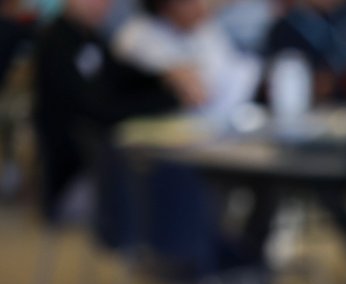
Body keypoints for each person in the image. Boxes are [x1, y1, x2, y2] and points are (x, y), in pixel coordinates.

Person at [31, 0, 177, 219]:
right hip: (77, 183)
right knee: (170, 193)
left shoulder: (90, 38)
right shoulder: (58, 43)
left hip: (103, 168)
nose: (101, 5)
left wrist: (168, 80)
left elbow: (124, 77)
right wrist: (164, 100)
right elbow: (98, 109)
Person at [111, 0, 260, 122]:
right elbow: (196, 94)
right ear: (164, 6)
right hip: (162, 132)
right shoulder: (137, 37)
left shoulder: (205, 29)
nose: (200, 5)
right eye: (189, 2)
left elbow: (232, 74)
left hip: (221, 124)